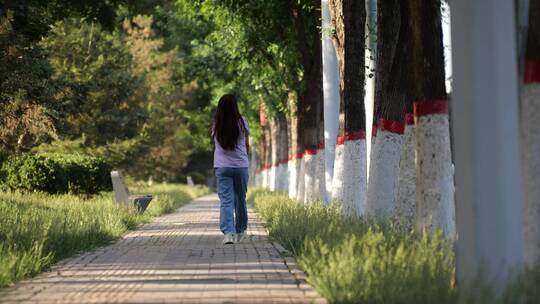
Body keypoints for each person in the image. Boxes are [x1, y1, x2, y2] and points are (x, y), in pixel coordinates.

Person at [212, 94, 250, 245]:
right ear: (235, 106)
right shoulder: (243, 122)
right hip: (241, 166)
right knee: (240, 200)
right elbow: (246, 144)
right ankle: (241, 231)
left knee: (226, 201)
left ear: (220, 107)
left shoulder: (216, 123)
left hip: (222, 167)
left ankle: (229, 233)